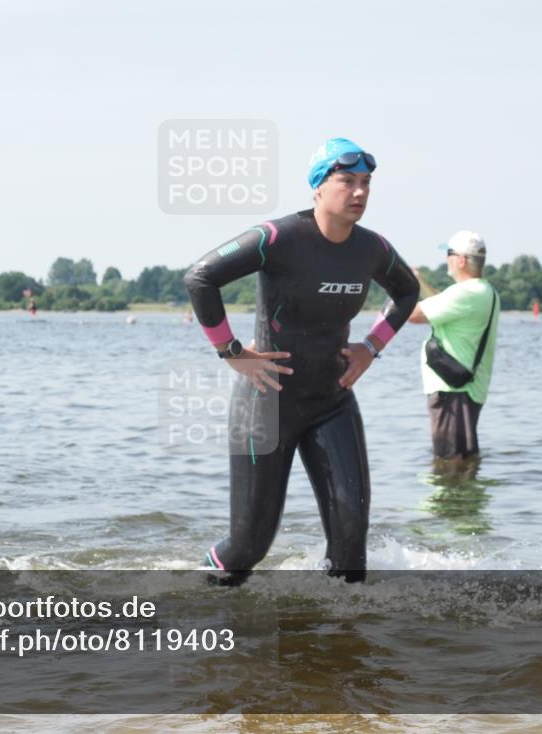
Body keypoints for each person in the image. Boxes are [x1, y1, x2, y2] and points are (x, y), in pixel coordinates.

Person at [184, 137, 419, 584]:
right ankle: (198, 600)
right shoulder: (278, 238)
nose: (359, 193)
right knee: (249, 546)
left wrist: (371, 347)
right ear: (317, 187)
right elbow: (200, 277)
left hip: (332, 402)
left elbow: (407, 292)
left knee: (351, 541)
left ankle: (338, 639)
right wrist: (232, 352)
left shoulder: (372, 249)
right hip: (267, 403)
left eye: (366, 183)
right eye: (346, 181)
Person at [408, 230, 499, 460]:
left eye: (449, 254)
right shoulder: (484, 291)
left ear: (461, 260)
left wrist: (400, 285)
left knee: (450, 464)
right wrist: (419, 283)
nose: (446, 260)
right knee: (463, 463)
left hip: (453, 393)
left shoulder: (466, 293)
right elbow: (441, 301)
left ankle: (453, 498)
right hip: (464, 392)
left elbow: (415, 315)